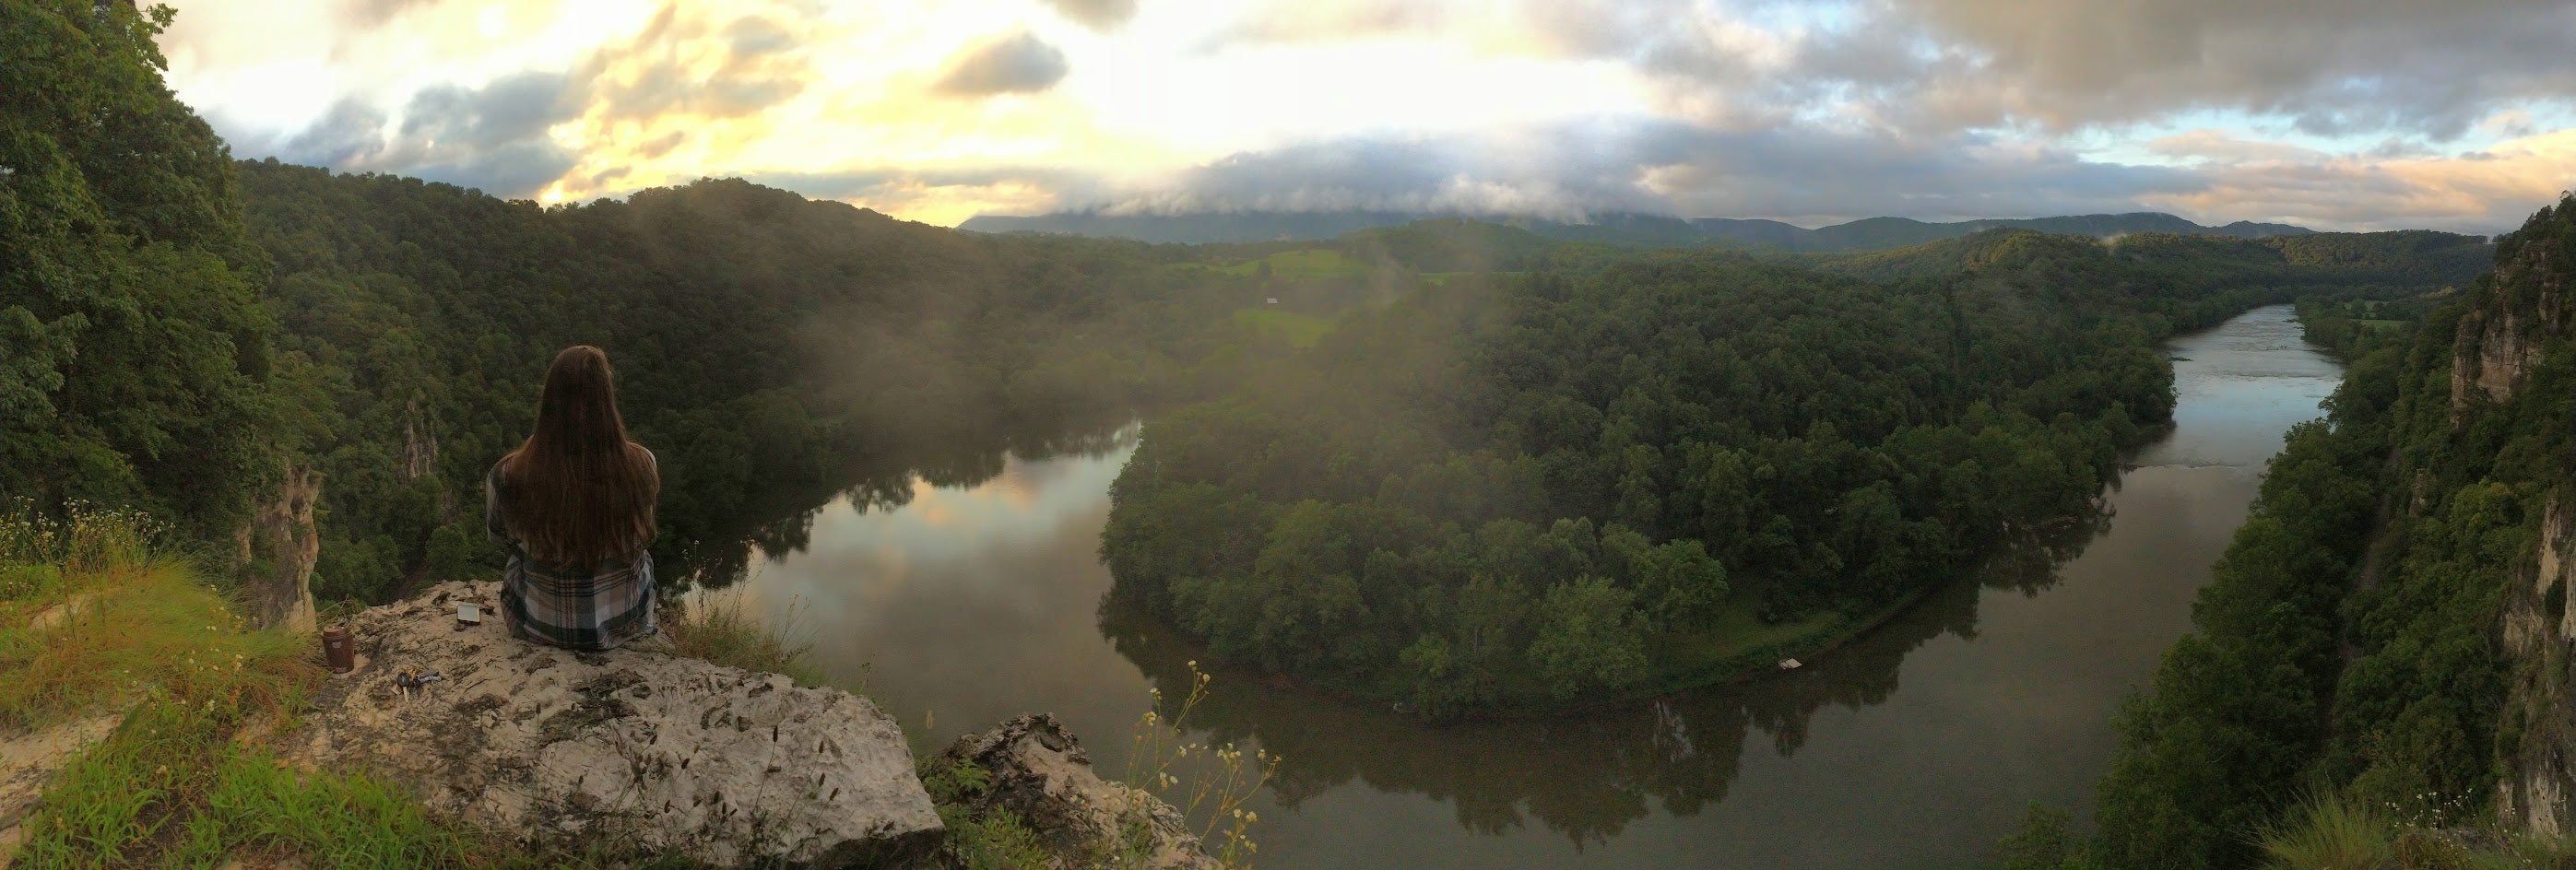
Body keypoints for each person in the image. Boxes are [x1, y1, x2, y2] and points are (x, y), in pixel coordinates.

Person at [485, 345, 661, 650]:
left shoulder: (507, 475)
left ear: (548, 402)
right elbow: (643, 529)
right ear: (607, 401)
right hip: (624, 624)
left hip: (538, 627)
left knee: (519, 556)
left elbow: (499, 538)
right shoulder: (643, 465)